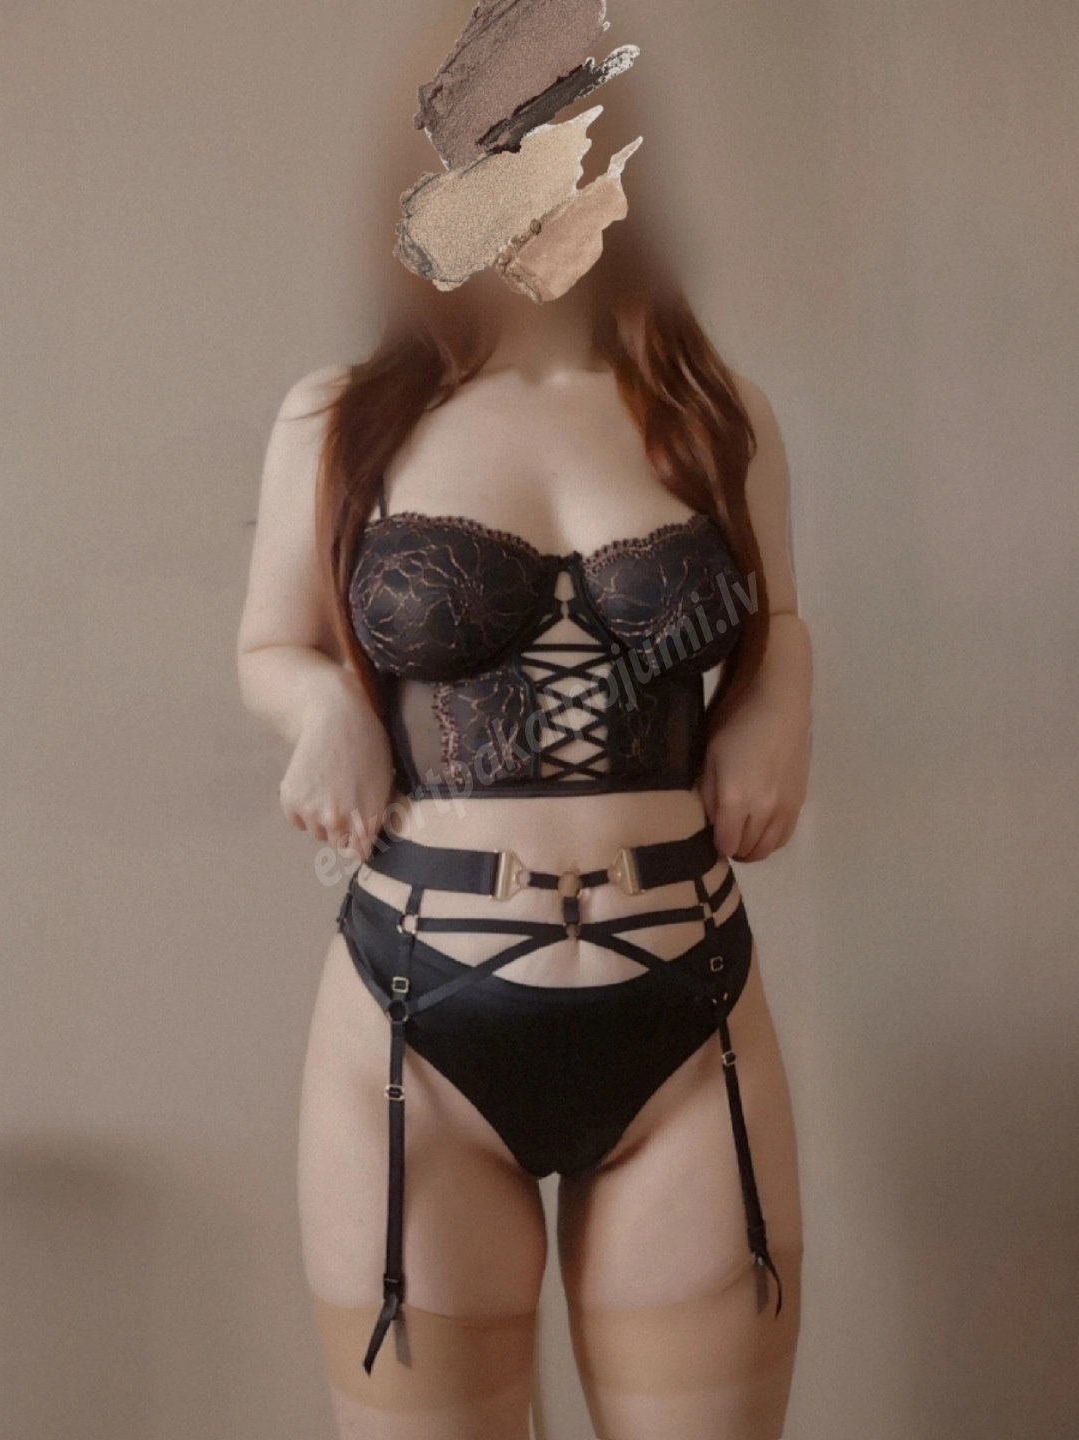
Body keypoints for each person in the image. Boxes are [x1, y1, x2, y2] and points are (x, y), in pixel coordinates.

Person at [237, 67, 812, 1440]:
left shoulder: (715, 414)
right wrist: (322, 710)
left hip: (686, 1006)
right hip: (414, 1016)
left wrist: (782, 696)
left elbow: (779, 619)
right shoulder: (341, 418)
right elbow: (270, 644)